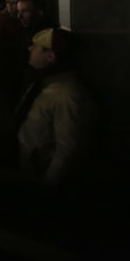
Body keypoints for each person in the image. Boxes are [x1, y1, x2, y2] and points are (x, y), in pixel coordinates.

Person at [15, 28, 94, 188]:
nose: (30, 48)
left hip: (38, 175)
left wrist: (48, 186)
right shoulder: (45, 83)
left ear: (50, 56)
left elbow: (67, 149)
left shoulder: (67, 94)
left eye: (36, 46)